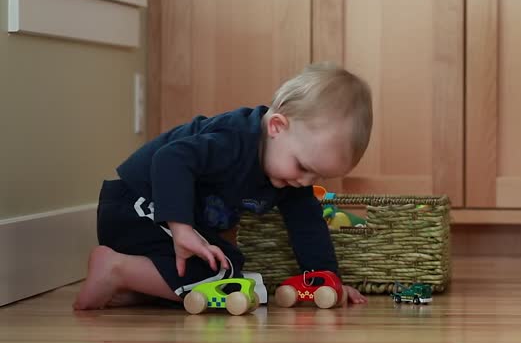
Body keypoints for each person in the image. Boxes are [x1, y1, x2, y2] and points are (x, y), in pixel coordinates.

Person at [74, 62, 372, 310]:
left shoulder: (289, 173)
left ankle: (130, 284)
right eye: (304, 167)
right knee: (222, 273)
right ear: (277, 127)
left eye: (317, 176)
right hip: (135, 207)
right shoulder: (234, 139)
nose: (305, 181)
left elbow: (307, 224)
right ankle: (114, 268)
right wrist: (181, 228)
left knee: (227, 264)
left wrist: (327, 278)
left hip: (156, 228)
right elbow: (170, 159)